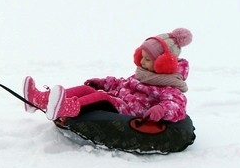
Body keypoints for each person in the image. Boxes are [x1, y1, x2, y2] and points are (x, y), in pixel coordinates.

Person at [23, 28, 193, 123]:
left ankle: (66, 108)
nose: (142, 62)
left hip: (130, 112)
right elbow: (122, 84)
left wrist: (161, 109)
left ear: (162, 63)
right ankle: (38, 99)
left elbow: (177, 105)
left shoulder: (169, 86)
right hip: (120, 101)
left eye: (148, 60)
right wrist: (102, 82)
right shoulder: (144, 75)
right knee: (87, 88)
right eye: (141, 57)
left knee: (101, 98)